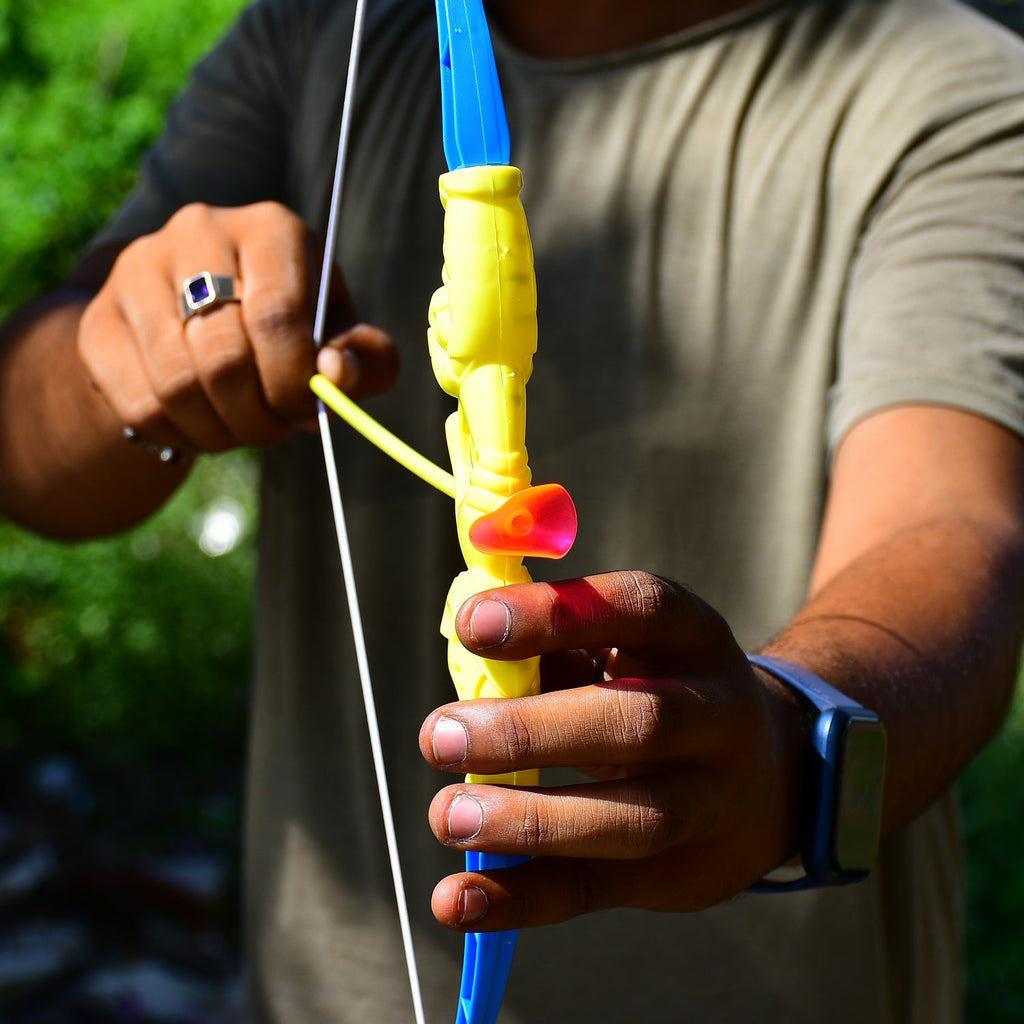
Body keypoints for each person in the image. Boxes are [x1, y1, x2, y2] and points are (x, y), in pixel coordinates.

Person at [2, 0, 1024, 1020]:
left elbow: (951, 523)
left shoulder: (950, 90)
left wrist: (788, 739)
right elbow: (27, 451)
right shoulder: (317, 37)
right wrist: (134, 358)